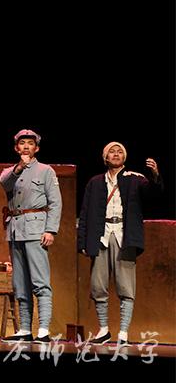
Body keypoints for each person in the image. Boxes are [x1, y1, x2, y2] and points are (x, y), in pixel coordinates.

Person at [77, 142, 162, 346]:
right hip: (101, 236)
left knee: (126, 287)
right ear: (105, 158)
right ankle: (104, 330)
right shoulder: (95, 182)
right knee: (98, 286)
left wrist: (155, 175)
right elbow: (85, 212)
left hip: (125, 236)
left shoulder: (135, 178)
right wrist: (82, 241)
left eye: (119, 152)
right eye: (112, 152)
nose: (116, 154)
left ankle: (123, 332)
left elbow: (153, 194)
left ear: (124, 157)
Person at [0, 129, 62, 344]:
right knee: (20, 282)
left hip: (36, 229)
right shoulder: (10, 172)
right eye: (22, 143)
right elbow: (4, 183)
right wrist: (19, 167)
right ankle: (25, 329)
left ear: (37, 148)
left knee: (40, 281)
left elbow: (55, 203)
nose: (26, 146)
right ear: (16, 148)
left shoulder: (46, 171)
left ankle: (43, 329)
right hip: (15, 230)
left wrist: (50, 230)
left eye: (30, 143)